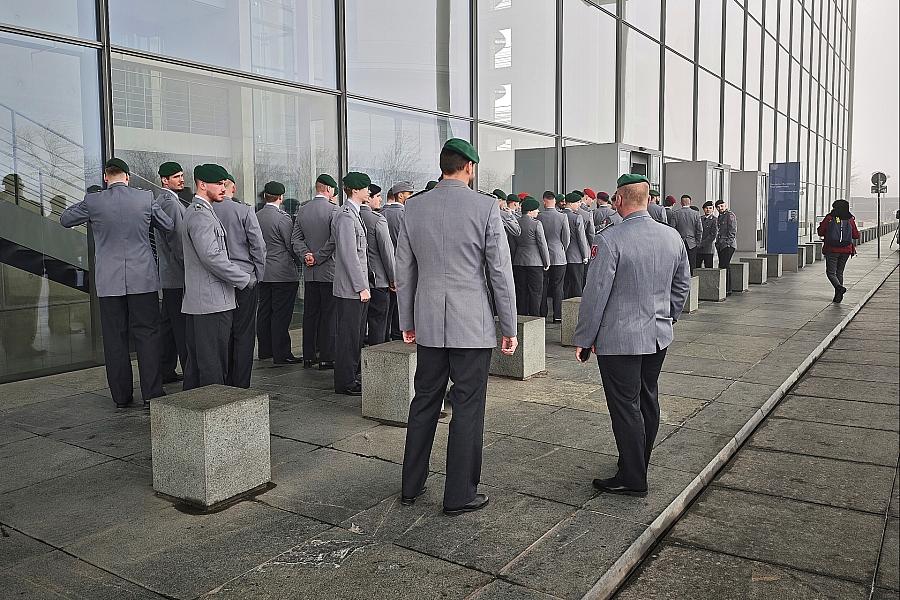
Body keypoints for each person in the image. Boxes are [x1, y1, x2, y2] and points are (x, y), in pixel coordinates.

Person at [396, 138, 517, 515]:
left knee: (424, 402)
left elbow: (405, 269)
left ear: (443, 166)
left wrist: (407, 321)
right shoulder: (484, 207)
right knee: (467, 407)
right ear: (469, 167)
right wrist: (508, 325)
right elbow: (499, 271)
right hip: (472, 324)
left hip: (430, 322)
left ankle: (410, 486)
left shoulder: (413, 207)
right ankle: (459, 493)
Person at [573, 173, 691, 497]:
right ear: (649, 199)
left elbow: (595, 294)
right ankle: (637, 462)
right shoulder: (672, 237)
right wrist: (669, 317)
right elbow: (682, 286)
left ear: (620, 200)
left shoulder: (610, 239)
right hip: (657, 336)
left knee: (625, 406)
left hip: (620, 339)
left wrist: (584, 340)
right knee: (647, 399)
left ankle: (633, 477)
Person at [60, 158, 173, 408]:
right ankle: (152, 393)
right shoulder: (144, 199)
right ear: (128, 177)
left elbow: (65, 219)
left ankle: (122, 397)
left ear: (105, 177)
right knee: (148, 335)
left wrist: (92, 211)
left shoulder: (94, 201)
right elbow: (168, 224)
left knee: (115, 339)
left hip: (109, 282)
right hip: (142, 279)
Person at [180, 164, 255, 390]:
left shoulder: (202, 211)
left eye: (224, 184)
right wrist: (243, 279)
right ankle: (213, 421)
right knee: (212, 366)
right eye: (219, 184)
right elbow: (211, 257)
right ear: (202, 185)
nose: (224, 188)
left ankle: (192, 420)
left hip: (204, 301)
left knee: (198, 366)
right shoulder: (201, 216)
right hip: (211, 303)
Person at [213, 174, 266, 386]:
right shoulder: (243, 210)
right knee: (244, 333)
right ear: (231, 188)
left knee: (222, 333)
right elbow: (258, 246)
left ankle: (223, 379)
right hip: (245, 277)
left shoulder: (207, 211)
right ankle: (241, 382)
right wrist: (258, 275)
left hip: (218, 278)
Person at [292, 174, 339, 368]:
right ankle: (327, 356)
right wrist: (318, 256)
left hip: (310, 272)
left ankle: (309, 355)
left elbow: (295, 239)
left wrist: (306, 255)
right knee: (329, 315)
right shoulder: (334, 210)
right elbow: (334, 239)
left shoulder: (302, 210)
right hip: (328, 271)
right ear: (328, 189)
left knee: (310, 315)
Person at [331, 172, 371, 396]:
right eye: (365, 188)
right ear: (355, 190)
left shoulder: (353, 214)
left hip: (355, 287)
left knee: (355, 334)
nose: (368, 191)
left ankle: (351, 376)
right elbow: (349, 255)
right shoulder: (346, 216)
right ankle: (345, 381)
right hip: (351, 289)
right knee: (348, 336)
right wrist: (361, 287)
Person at [256, 181, 302, 365]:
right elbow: (290, 245)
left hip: (263, 272)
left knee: (264, 311)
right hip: (282, 272)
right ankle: (281, 353)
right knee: (281, 314)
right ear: (281, 197)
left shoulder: (256, 216)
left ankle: (265, 350)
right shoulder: (283, 218)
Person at [154, 161, 189, 384]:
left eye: (182, 176)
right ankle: (189, 371)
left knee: (168, 326)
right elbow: (177, 242)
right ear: (165, 180)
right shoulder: (171, 204)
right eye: (176, 177)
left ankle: (165, 369)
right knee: (181, 327)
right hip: (177, 274)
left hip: (169, 275)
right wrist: (190, 269)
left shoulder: (165, 201)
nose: (181, 180)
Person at [360, 184, 395, 345]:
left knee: (358, 326)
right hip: (378, 280)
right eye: (378, 196)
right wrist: (393, 279)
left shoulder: (346, 216)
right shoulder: (377, 220)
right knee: (378, 325)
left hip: (357, 281)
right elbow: (387, 253)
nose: (381, 199)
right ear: (369, 198)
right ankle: (376, 364)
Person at [383, 181, 414, 341]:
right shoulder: (405, 214)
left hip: (383, 269)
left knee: (386, 313)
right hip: (402, 267)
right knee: (399, 308)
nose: (411, 197)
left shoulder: (381, 213)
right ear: (400, 195)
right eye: (409, 194)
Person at [817, 199, 860, 303]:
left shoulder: (830, 218)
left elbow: (821, 232)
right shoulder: (850, 219)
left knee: (831, 272)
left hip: (832, 249)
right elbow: (856, 235)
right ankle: (838, 296)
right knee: (839, 272)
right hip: (846, 249)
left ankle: (839, 288)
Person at [513, 196, 550, 316]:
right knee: (536, 292)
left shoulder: (515, 222)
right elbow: (542, 244)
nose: (538, 211)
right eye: (535, 209)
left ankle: (522, 317)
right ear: (530, 212)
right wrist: (546, 262)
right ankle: (534, 318)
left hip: (519, 261)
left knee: (521, 291)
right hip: (535, 262)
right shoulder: (536, 224)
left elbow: (512, 244)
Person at [537, 191, 570, 322]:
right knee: (558, 287)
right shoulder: (562, 217)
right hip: (559, 256)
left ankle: (543, 314)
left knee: (543, 286)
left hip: (542, 257)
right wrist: (561, 249)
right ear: (555, 201)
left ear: (544, 201)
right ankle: (557, 315)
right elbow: (566, 238)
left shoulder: (539, 217)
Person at [562, 193, 590, 298]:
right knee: (577, 285)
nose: (579, 205)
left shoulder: (560, 215)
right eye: (577, 202)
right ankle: (576, 312)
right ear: (571, 203)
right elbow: (581, 239)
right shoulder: (577, 217)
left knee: (565, 286)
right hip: (576, 256)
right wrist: (585, 255)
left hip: (563, 256)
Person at [670, 194, 704, 275]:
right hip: (692, 243)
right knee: (692, 264)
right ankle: (692, 282)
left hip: (680, 242)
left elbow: (672, 229)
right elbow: (700, 230)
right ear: (690, 202)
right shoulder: (696, 214)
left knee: (680, 264)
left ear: (681, 203)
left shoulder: (676, 213)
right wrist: (697, 242)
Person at [715, 199, 737, 292]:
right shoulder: (720, 217)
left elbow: (732, 230)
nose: (720, 208)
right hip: (721, 244)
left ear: (725, 206)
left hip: (728, 245)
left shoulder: (730, 215)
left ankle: (728, 289)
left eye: (722, 206)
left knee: (725, 265)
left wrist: (728, 243)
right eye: (718, 207)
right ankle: (724, 288)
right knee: (722, 265)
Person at [697, 201, 718, 268]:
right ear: (703, 209)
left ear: (713, 209)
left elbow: (713, 235)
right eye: (706, 208)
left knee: (708, 269)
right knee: (697, 267)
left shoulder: (715, 220)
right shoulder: (700, 219)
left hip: (708, 249)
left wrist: (702, 243)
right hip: (698, 248)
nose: (708, 210)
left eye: (710, 208)